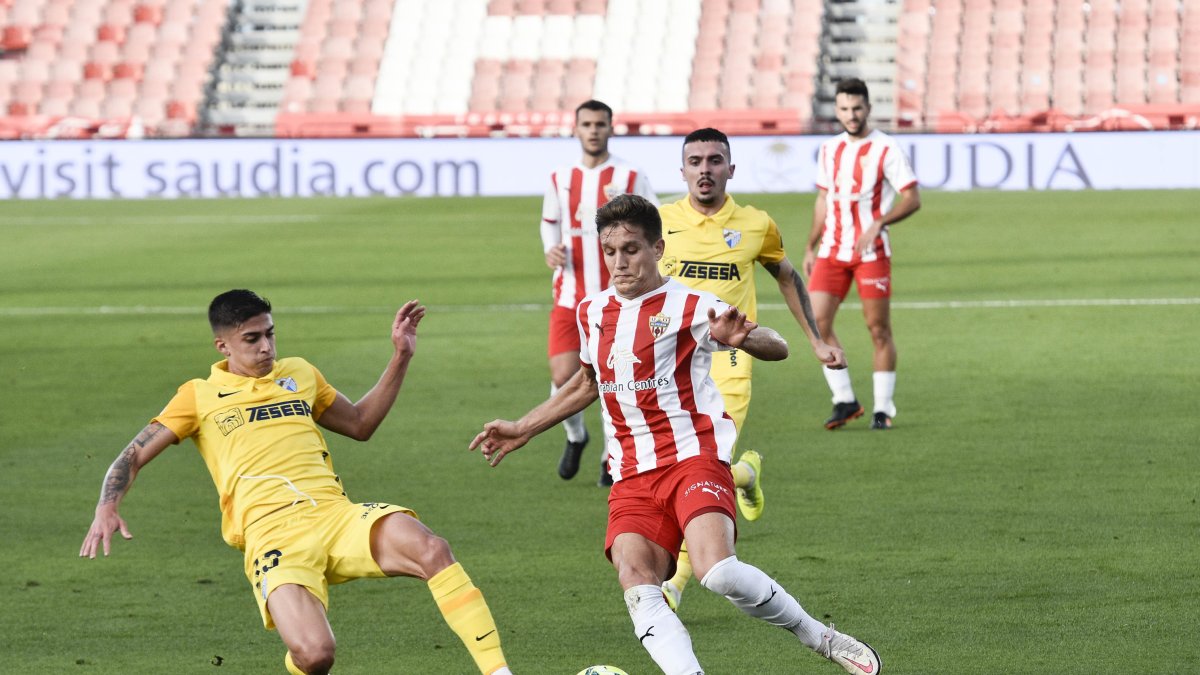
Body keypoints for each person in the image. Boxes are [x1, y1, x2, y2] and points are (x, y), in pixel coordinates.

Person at [471, 195, 880, 675]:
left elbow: (779, 345)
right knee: (639, 586)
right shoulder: (591, 312)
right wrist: (524, 427)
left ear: (657, 247)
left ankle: (822, 638)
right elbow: (587, 381)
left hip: (693, 458)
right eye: (610, 251)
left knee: (718, 571)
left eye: (631, 249)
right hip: (631, 474)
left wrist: (742, 339)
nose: (619, 262)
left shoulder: (691, 305)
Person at [80, 291, 513, 675]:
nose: (266, 347)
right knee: (316, 656)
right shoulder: (198, 395)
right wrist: (107, 505)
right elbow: (133, 453)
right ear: (223, 345)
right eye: (252, 339)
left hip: (335, 516)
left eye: (270, 334)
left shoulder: (300, 373)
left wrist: (401, 356)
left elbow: (360, 424)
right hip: (272, 536)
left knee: (432, 549)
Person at [657, 127, 847, 608]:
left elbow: (787, 274)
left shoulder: (757, 224)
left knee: (696, 467)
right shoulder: (658, 222)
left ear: (730, 169)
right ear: (682, 170)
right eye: (695, 161)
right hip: (670, 365)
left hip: (730, 363)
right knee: (682, 468)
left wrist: (817, 341)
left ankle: (674, 584)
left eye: (715, 160)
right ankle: (744, 474)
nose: (705, 169)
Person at [541, 99, 659, 485]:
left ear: (611, 128)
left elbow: (654, 222)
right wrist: (551, 248)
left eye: (600, 124)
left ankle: (613, 458)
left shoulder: (629, 175)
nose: (593, 130)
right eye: (587, 124)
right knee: (562, 376)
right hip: (570, 294)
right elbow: (549, 222)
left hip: (619, 297)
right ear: (576, 129)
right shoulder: (561, 177)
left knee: (616, 377)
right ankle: (576, 435)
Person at [803, 78, 921, 431]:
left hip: (871, 253)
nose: (851, 115)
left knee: (878, 329)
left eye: (857, 108)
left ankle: (883, 409)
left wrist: (879, 223)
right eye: (844, 109)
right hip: (831, 251)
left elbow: (912, 198)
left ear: (868, 108)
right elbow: (823, 199)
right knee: (817, 324)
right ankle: (845, 400)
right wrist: (810, 244)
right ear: (836, 111)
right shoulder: (829, 150)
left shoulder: (886, 149)